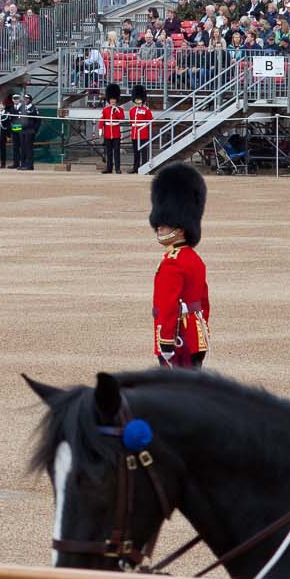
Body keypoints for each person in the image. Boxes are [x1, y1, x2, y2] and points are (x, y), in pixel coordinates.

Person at [150, 162, 211, 369]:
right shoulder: (194, 258)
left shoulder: (172, 264)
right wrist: (203, 330)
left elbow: (168, 306)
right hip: (196, 336)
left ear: (181, 225)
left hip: (178, 339)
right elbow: (204, 301)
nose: (160, 226)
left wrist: (166, 341)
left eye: (165, 223)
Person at [100, 83, 125, 175]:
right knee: (109, 152)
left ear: (116, 100)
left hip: (116, 133)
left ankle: (118, 168)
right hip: (107, 133)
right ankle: (109, 168)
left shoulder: (119, 110)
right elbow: (102, 119)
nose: (112, 101)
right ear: (109, 100)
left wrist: (117, 110)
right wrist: (100, 129)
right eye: (111, 99)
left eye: (114, 99)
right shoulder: (105, 109)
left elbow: (121, 118)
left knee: (117, 152)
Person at [129, 85, 155, 170]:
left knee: (144, 152)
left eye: (139, 100)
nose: (137, 101)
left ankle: (144, 167)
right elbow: (131, 122)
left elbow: (151, 120)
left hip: (143, 133)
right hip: (134, 134)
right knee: (136, 152)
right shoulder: (132, 110)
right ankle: (135, 168)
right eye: (136, 100)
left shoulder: (146, 110)